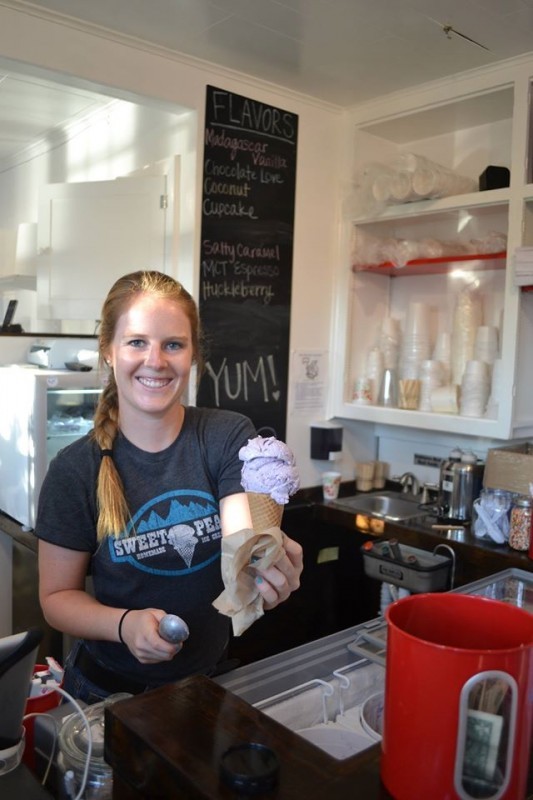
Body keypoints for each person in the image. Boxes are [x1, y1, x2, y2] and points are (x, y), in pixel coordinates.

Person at [35, 270, 303, 703]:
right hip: (106, 694)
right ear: (108, 350)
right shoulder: (75, 470)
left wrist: (262, 569)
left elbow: (241, 536)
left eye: (173, 344)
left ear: (194, 353)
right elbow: (56, 597)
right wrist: (124, 624)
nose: (156, 361)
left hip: (206, 685)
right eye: (137, 342)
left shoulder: (226, 436)